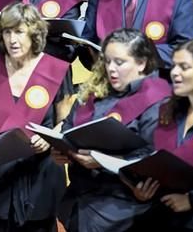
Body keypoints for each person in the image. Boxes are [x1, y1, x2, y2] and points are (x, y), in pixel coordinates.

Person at [54, 28, 171, 232]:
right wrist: (60, 150)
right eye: (107, 61)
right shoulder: (93, 90)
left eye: (120, 62)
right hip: (79, 200)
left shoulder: (159, 101)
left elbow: (153, 159)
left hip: (123, 210)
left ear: (141, 63)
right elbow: (67, 128)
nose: (111, 69)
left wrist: (102, 161)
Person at [0, 2, 71, 231]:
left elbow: (65, 123)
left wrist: (50, 137)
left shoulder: (56, 69)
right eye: (7, 32)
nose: (12, 40)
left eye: (19, 31)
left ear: (34, 33)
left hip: (41, 177)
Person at [130, 40, 193, 231]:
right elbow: (146, 156)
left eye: (184, 67)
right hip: (159, 216)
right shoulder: (167, 111)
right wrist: (137, 186)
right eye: (174, 65)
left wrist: (192, 200)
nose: (174, 72)